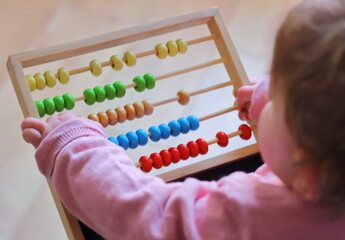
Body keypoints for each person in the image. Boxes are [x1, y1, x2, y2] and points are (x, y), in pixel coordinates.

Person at [21, 0, 345, 239]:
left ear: (304, 158)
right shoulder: (328, 172)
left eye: (280, 96)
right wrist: (272, 97)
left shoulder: (250, 216)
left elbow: (153, 219)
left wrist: (77, 148)